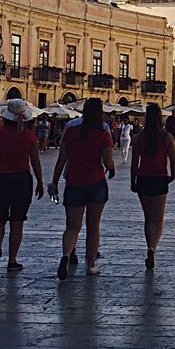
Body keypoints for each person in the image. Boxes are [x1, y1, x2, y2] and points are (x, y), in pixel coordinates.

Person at [49, 98, 115, 279]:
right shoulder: (104, 133)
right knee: (93, 226)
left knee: (72, 227)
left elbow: (61, 160)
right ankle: (91, 265)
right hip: (96, 183)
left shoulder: (71, 131)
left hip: (74, 183)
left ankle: (66, 255)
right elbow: (108, 161)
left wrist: (54, 182)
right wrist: (111, 168)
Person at [0, 99, 44, 271]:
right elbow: (35, 162)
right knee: (17, 222)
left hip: (0, 179)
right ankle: (12, 261)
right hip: (21, 180)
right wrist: (40, 182)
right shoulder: (30, 136)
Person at [130, 101, 175, 270]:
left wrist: (132, 181)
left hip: (143, 178)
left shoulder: (139, 138)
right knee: (158, 219)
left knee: (148, 218)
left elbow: (134, 162)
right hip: (160, 179)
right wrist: (172, 175)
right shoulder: (167, 137)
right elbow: (173, 160)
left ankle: (149, 245)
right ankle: (152, 249)